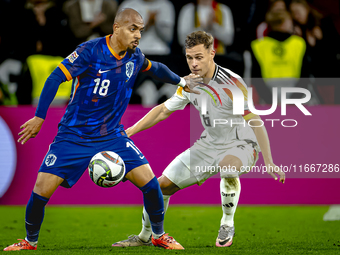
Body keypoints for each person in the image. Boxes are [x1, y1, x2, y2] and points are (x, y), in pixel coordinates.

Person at [3, 8, 198, 251]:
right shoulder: (90, 51)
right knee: (40, 191)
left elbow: (156, 68)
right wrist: (39, 117)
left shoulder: (134, 56)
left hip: (111, 135)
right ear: (116, 28)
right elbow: (55, 78)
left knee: (150, 184)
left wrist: (181, 81)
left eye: (141, 30)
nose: (138, 35)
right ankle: (29, 241)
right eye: (133, 29)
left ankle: (158, 235)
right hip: (74, 136)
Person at [112, 31, 285, 248]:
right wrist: (128, 132)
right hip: (208, 144)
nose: (193, 63)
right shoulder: (188, 84)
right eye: (189, 57)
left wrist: (268, 160)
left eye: (199, 57)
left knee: (228, 168)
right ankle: (145, 236)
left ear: (212, 53)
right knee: (160, 186)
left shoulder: (231, 82)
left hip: (241, 143)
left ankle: (227, 222)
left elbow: (255, 120)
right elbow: (163, 110)